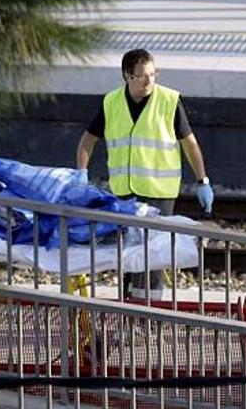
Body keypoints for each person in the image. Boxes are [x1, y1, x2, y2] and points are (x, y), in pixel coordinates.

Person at [76, 48, 213, 290]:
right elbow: (88, 139)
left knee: (152, 256)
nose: (149, 80)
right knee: (128, 254)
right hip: (125, 192)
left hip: (158, 191)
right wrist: (81, 173)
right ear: (127, 76)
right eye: (142, 76)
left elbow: (190, 143)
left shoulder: (169, 101)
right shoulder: (111, 102)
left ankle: (147, 318)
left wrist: (202, 181)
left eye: (153, 74)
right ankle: (131, 308)